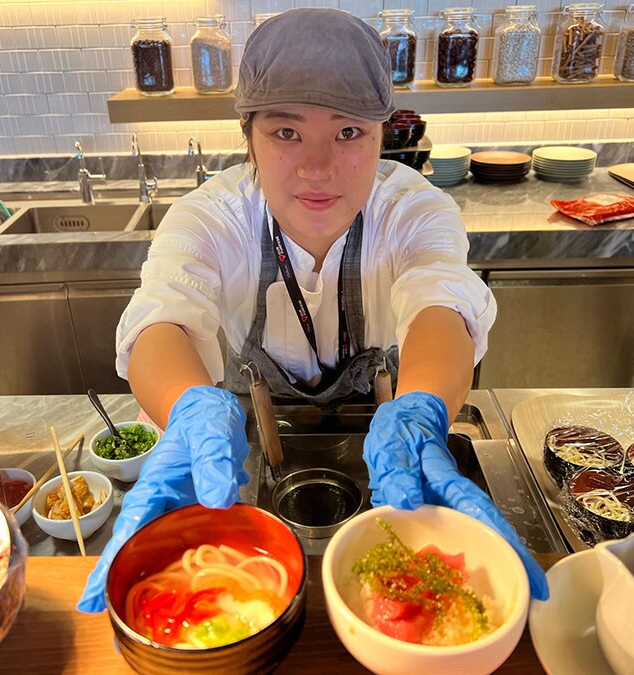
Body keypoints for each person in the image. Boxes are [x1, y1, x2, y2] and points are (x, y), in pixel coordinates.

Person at [78, 8, 547, 612]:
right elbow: (161, 316)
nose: (319, 168)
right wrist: (189, 408)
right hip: (247, 439)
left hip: (384, 433)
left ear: (384, 135)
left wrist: (423, 409)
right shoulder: (213, 215)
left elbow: (441, 301)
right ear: (247, 135)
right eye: (287, 133)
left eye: (349, 133)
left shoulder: (411, 209)